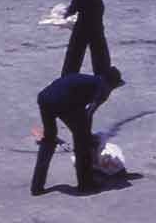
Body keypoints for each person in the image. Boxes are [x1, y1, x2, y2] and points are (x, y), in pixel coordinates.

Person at [31, 67, 125, 196]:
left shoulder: (92, 81)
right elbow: (88, 113)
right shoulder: (102, 88)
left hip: (45, 98)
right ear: (112, 84)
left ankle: (37, 186)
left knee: (49, 140)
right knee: (82, 142)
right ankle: (86, 184)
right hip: (63, 101)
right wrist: (87, 136)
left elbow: (83, 113)